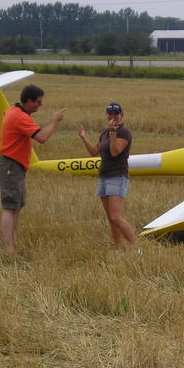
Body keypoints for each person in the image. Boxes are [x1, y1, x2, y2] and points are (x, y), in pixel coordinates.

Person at [0, 84, 67, 256]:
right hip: (11, 166)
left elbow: (6, 115)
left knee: (17, 206)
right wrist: (54, 120)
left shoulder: (13, 111)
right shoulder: (20, 117)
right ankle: (9, 249)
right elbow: (42, 137)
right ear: (28, 101)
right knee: (9, 207)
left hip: (14, 166)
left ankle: (11, 244)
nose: (40, 105)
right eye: (38, 102)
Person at [77, 102, 139, 254]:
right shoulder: (104, 133)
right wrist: (83, 137)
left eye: (116, 114)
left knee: (115, 216)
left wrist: (112, 133)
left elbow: (115, 151)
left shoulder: (124, 132)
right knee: (110, 218)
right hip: (104, 176)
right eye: (110, 114)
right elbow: (93, 152)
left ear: (121, 115)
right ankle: (119, 250)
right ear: (106, 115)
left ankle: (136, 249)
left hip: (117, 176)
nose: (113, 116)